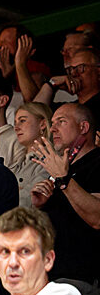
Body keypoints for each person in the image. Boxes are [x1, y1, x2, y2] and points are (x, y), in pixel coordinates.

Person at [30, 103, 100, 283]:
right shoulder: (62, 168)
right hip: (49, 275)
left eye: (61, 121)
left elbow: (97, 217)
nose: (52, 128)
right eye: (52, 123)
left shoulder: (97, 161)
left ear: (83, 127)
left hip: (82, 278)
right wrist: (40, 205)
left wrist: (63, 180)